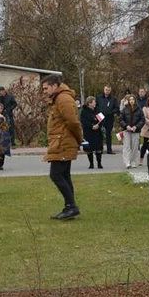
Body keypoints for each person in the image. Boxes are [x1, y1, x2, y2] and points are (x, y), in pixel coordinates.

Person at [42, 74, 81, 220]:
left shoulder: (63, 99)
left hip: (63, 142)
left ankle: (71, 207)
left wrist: (78, 139)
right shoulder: (58, 98)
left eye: (46, 88)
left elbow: (73, 122)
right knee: (64, 175)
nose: (44, 91)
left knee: (56, 175)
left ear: (55, 86)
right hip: (61, 141)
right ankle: (69, 207)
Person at [117, 94, 144, 169]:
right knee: (127, 146)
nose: (131, 101)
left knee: (135, 147)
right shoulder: (125, 109)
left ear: (135, 101)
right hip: (127, 130)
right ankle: (127, 162)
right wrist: (126, 126)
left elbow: (142, 119)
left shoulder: (139, 109)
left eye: (133, 99)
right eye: (130, 99)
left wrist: (137, 126)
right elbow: (121, 119)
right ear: (128, 101)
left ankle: (133, 161)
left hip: (136, 130)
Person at [79, 96, 105, 170]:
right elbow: (83, 121)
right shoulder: (84, 111)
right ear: (89, 103)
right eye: (94, 102)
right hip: (88, 132)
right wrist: (91, 126)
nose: (95, 103)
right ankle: (91, 164)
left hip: (97, 132)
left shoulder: (97, 110)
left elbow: (102, 120)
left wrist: (98, 125)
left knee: (98, 148)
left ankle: (99, 163)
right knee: (89, 149)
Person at [98, 85, 120, 155]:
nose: (107, 91)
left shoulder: (113, 99)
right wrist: (98, 113)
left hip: (109, 117)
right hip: (100, 116)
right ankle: (100, 149)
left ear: (110, 91)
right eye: (106, 90)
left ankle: (109, 149)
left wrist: (111, 112)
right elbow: (96, 106)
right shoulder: (99, 97)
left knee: (108, 133)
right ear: (104, 90)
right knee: (99, 133)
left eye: (108, 90)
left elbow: (117, 108)